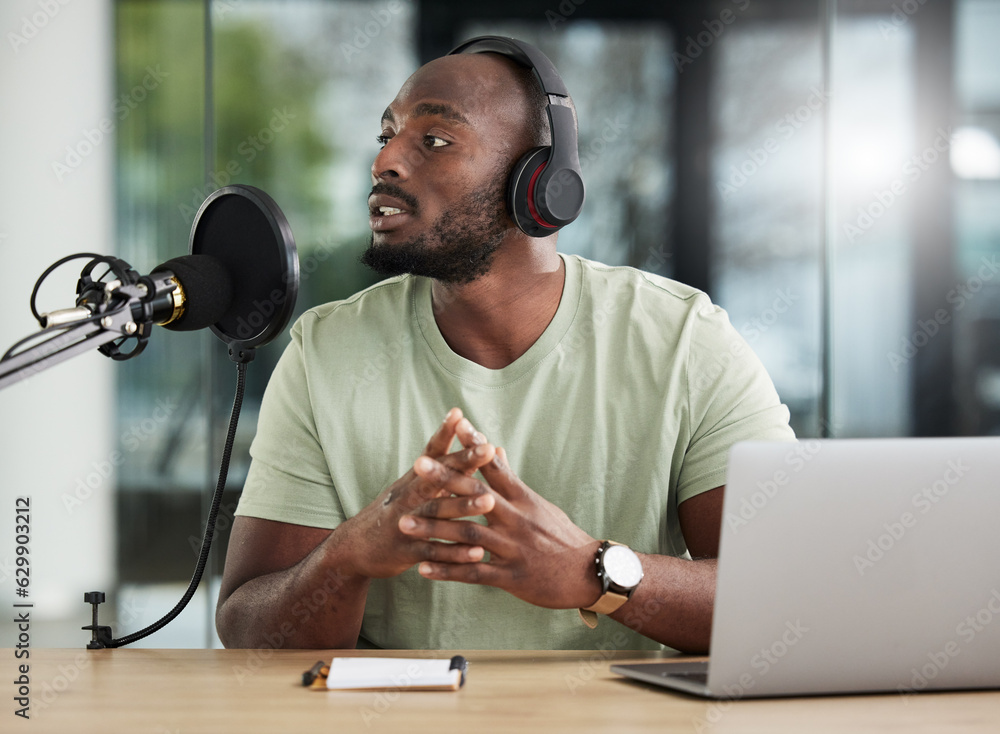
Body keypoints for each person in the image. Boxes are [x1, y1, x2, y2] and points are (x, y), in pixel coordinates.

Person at [215, 38, 795, 653]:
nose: (384, 159)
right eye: (385, 134)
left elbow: (781, 603)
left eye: (433, 139)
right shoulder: (324, 350)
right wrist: (348, 556)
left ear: (539, 183)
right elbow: (250, 632)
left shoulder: (684, 339)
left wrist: (590, 572)